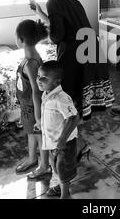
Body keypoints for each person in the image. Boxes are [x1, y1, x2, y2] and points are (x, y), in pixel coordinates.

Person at [30, 0, 114, 119]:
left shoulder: (53, 2)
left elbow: (57, 35)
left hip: (76, 51)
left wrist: (47, 36)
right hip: (91, 46)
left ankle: (70, 130)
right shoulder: (73, 1)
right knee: (83, 87)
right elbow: (68, 25)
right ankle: (78, 122)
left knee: (70, 90)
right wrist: (40, 13)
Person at [14, 19, 51, 180]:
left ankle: (44, 166)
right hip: (26, 105)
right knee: (30, 133)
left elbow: (37, 92)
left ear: (21, 40)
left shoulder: (31, 63)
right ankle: (32, 159)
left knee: (38, 135)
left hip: (32, 107)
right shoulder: (29, 58)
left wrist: (38, 117)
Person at [37, 61, 80, 199]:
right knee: (55, 166)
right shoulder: (46, 94)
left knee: (63, 169)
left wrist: (62, 140)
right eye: (38, 76)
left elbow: (73, 118)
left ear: (57, 82)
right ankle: (61, 186)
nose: (39, 80)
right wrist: (41, 125)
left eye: (44, 78)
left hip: (64, 143)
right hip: (52, 141)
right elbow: (52, 116)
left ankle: (65, 194)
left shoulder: (61, 98)